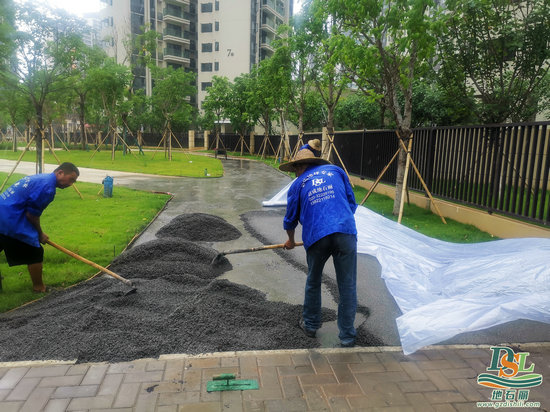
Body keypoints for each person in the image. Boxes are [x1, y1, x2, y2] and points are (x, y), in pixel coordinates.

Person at [280, 148, 358, 347]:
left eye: (294, 170)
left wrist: (290, 240)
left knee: (314, 280)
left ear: (300, 167)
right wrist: (339, 221)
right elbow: (352, 203)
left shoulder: (298, 184)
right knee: (347, 285)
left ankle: (311, 326)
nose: (294, 174)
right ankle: (348, 336)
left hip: (317, 237)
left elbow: (290, 220)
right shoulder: (336, 171)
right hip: (345, 232)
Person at [0, 162, 80, 293]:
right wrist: (40, 234)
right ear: (60, 173)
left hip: (3, 212)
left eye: (74, 182)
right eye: (71, 179)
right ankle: (39, 288)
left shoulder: (42, 178)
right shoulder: (47, 187)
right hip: (9, 218)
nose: (70, 184)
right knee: (34, 252)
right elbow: (32, 216)